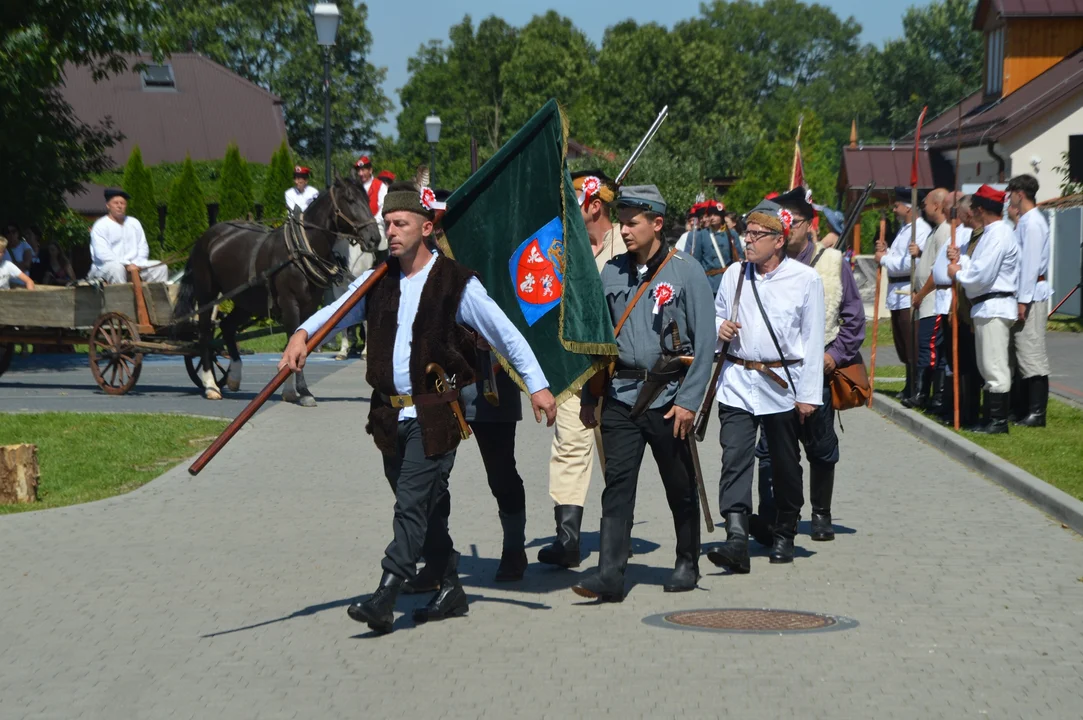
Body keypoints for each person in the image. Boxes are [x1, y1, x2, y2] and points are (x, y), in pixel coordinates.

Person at [279, 181, 556, 634]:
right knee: (427, 507)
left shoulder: (456, 283)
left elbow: (506, 333)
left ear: (426, 228)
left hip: (435, 413)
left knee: (410, 504)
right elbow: (337, 314)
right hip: (388, 414)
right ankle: (450, 586)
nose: (390, 230)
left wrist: (538, 385)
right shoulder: (378, 280)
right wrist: (302, 335)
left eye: (400, 223)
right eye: (387, 222)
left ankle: (386, 595)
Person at [572, 184, 715, 602]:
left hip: (669, 397)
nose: (625, 230)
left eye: (633, 222)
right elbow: (595, 341)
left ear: (656, 223)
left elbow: (704, 344)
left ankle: (687, 560)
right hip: (619, 394)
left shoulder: (686, 271)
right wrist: (587, 396)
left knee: (678, 484)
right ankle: (610, 574)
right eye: (622, 222)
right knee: (617, 485)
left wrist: (689, 402)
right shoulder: (611, 272)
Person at [708, 200, 825, 571]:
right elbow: (717, 314)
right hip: (738, 382)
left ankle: (784, 531)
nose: (748, 241)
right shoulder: (734, 275)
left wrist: (809, 396)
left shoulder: (806, 280)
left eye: (757, 235)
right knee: (735, 459)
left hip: (782, 386)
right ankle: (737, 539)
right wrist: (719, 328)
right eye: (747, 233)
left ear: (779, 240)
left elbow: (813, 339)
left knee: (784, 464)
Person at [748, 187, 864, 548]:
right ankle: (776, 515)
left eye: (791, 221)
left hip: (817, 371)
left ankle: (820, 513)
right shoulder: (760, 268)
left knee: (820, 445)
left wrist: (833, 356)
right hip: (773, 376)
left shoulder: (832, 263)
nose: (786, 227)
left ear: (807, 224)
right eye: (779, 221)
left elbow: (854, 320)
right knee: (769, 450)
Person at [538, 170, 624, 569]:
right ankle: (568, 539)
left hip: (623, 377)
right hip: (574, 372)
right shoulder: (562, 247)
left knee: (618, 459)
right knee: (570, 448)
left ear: (594, 205)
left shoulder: (629, 246)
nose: (564, 209)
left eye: (572, 200)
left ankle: (616, 542)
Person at [947, 185, 1019, 434]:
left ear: (980, 210)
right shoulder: (991, 233)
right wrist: (962, 259)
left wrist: (959, 272)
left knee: (994, 366)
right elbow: (979, 265)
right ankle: (991, 417)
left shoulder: (999, 234)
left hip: (994, 305)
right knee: (987, 364)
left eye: (973, 209)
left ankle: (998, 421)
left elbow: (983, 274)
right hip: (987, 306)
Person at [875, 186, 931, 399]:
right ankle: (909, 384)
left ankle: (917, 387)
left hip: (908, 289)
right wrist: (886, 251)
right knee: (902, 342)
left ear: (909, 208)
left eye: (897, 205)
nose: (894, 208)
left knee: (912, 342)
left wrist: (885, 259)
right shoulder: (904, 229)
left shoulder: (921, 229)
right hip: (896, 290)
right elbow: (899, 256)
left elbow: (912, 263)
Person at [1006, 174, 1051, 427]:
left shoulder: (1033, 223)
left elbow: (1030, 266)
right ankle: (1022, 408)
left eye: (1011, 192)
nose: (1009, 197)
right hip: (1024, 293)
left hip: (1032, 293)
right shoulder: (1025, 222)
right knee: (1021, 351)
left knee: (1031, 351)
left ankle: (1036, 412)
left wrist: (1022, 301)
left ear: (1020, 194)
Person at [926, 193, 975, 423]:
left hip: (954, 298)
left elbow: (963, 266)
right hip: (944, 298)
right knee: (948, 356)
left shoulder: (964, 233)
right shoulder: (952, 232)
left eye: (951, 208)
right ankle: (949, 403)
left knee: (957, 357)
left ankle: (960, 406)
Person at [905, 188, 951, 410]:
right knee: (926, 347)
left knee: (929, 348)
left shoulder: (944, 232)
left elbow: (939, 268)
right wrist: (921, 254)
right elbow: (932, 259)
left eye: (925, 203)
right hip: (926, 299)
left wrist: (921, 294)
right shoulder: (936, 231)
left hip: (933, 299)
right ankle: (925, 393)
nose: (922, 206)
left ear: (937, 205)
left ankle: (928, 395)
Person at [88, 188, 168, 284]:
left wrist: (137, 264)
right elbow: (103, 254)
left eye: (122, 203)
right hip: (105, 267)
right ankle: (122, 298)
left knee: (161, 267)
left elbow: (143, 247)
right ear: (108, 205)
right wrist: (126, 265)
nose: (119, 206)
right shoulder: (101, 225)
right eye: (116, 203)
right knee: (117, 268)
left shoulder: (134, 223)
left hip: (135, 265)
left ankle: (155, 297)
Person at [690, 202, 744, 295]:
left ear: (722, 216)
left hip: (728, 280)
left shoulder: (731, 234)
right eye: (710, 215)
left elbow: (739, 258)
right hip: (709, 282)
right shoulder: (702, 235)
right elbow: (696, 260)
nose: (712, 217)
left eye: (716, 215)